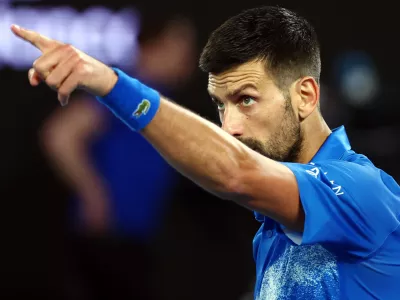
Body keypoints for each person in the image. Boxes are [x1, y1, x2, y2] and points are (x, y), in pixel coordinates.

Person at [11, 5, 400, 299]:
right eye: (220, 105)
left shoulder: (361, 189)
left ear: (305, 96)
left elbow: (235, 172)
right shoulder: (273, 231)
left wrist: (112, 84)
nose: (229, 125)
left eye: (246, 100)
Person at [38, 15, 197, 300]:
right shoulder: (123, 90)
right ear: (151, 47)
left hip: (138, 240)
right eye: (178, 47)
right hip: (106, 240)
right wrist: (93, 194)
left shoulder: (161, 96)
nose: (187, 58)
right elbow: (60, 135)